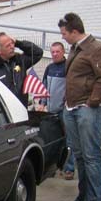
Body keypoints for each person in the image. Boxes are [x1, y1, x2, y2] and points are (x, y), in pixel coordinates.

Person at [58, 12, 101, 201]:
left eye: (64, 33)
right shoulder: (75, 49)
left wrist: (92, 103)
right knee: (79, 155)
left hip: (88, 109)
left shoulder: (95, 48)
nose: (62, 37)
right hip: (73, 108)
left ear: (74, 31)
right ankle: (83, 198)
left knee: (91, 157)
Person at [43, 42, 75, 180]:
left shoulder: (68, 67)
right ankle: (52, 168)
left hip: (64, 111)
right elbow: (44, 87)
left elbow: (72, 87)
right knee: (52, 140)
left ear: (63, 52)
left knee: (69, 140)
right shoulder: (49, 68)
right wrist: (43, 104)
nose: (55, 54)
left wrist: (65, 103)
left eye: (57, 51)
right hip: (50, 111)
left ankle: (69, 169)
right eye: (52, 52)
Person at [0, 32, 43, 104]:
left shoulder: (19, 60)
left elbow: (38, 53)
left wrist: (18, 43)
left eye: (12, 43)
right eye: (8, 46)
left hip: (21, 109)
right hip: (4, 113)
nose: (12, 47)